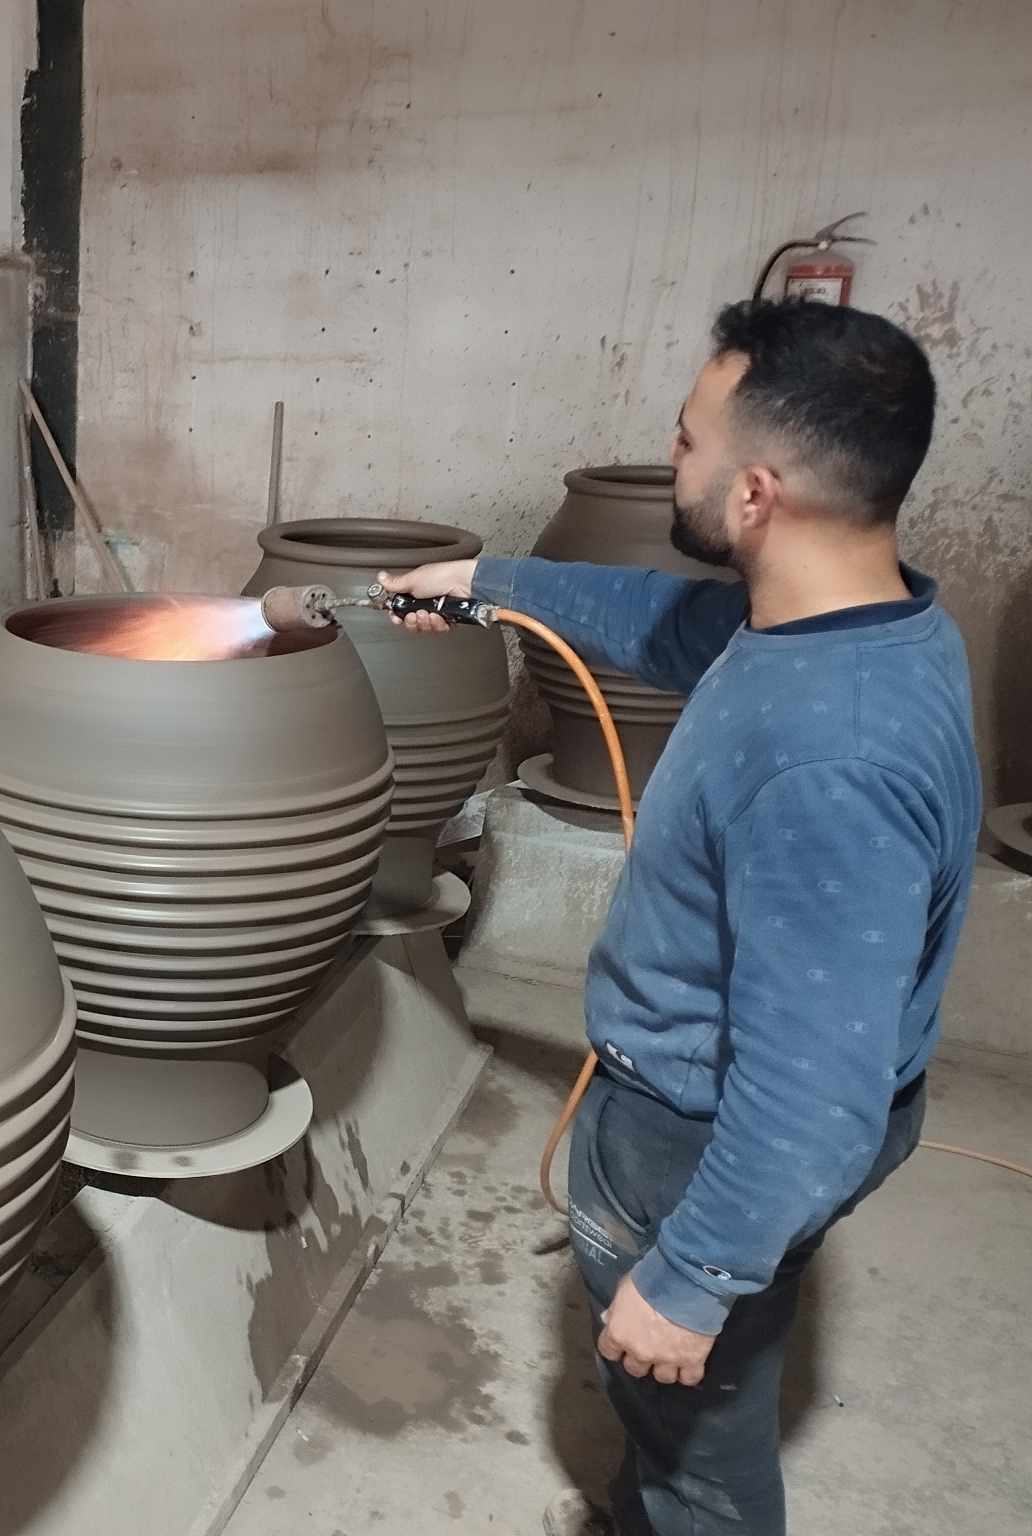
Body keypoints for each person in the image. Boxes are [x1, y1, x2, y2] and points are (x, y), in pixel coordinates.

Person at [379, 298, 980, 1536]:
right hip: (709, 1109)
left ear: (756, 494)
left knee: (699, 1450)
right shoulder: (859, 625)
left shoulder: (828, 762)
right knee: (672, 1427)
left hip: (696, 1131)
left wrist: (697, 1276)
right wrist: (485, 585)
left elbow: (815, 1088)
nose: (672, 457)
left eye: (689, 440)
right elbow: (667, 624)